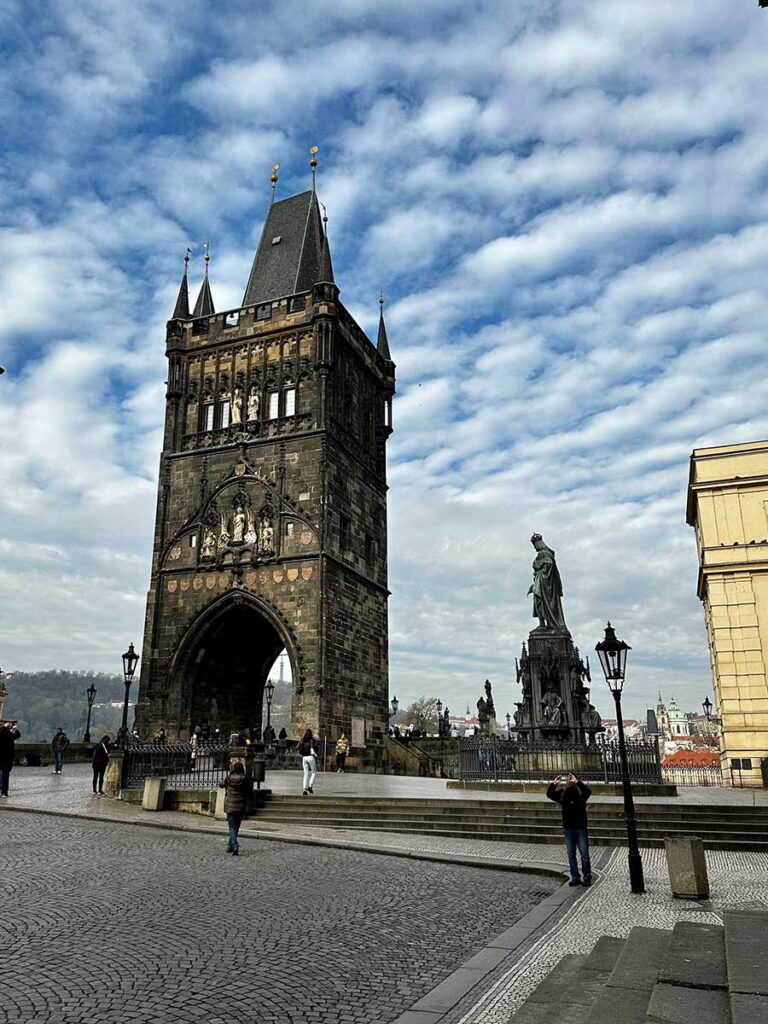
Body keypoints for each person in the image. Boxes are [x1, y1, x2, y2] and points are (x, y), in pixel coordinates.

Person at [546, 772, 592, 886]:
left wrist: (578, 782)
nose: (569, 781)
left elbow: (588, 791)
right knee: (571, 854)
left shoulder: (581, 792)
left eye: (571, 778)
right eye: (568, 779)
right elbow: (549, 794)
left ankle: (587, 877)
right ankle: (575, 877)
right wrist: (554, 783)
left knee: (584, 854)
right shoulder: (563, 794)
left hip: (580, 828)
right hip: (569, 828)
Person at [220, 760, 249, 855]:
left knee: (232, 826)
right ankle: (230, 846)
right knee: (236, 827)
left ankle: (234, 844)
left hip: (230, 804)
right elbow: (248, 790)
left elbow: (221, 785)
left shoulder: (229, 778)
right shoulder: (244, 779)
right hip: (240, 805)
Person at [0, 721, 21, 798]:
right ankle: (4, 792)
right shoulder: (10, 735)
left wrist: (4, 727)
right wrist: (15, 728)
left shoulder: (1, 733)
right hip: (7, 758)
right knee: (5, 776)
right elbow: (18, 735)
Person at [297, 728, 318, 795]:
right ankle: (310, 785)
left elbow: (299, 747)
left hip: (304, 758)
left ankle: (304, 789)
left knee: (305, 773)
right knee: (314, 772)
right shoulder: (312, 740)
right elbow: (316, 747)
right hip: (310, 757)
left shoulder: (303, 740)